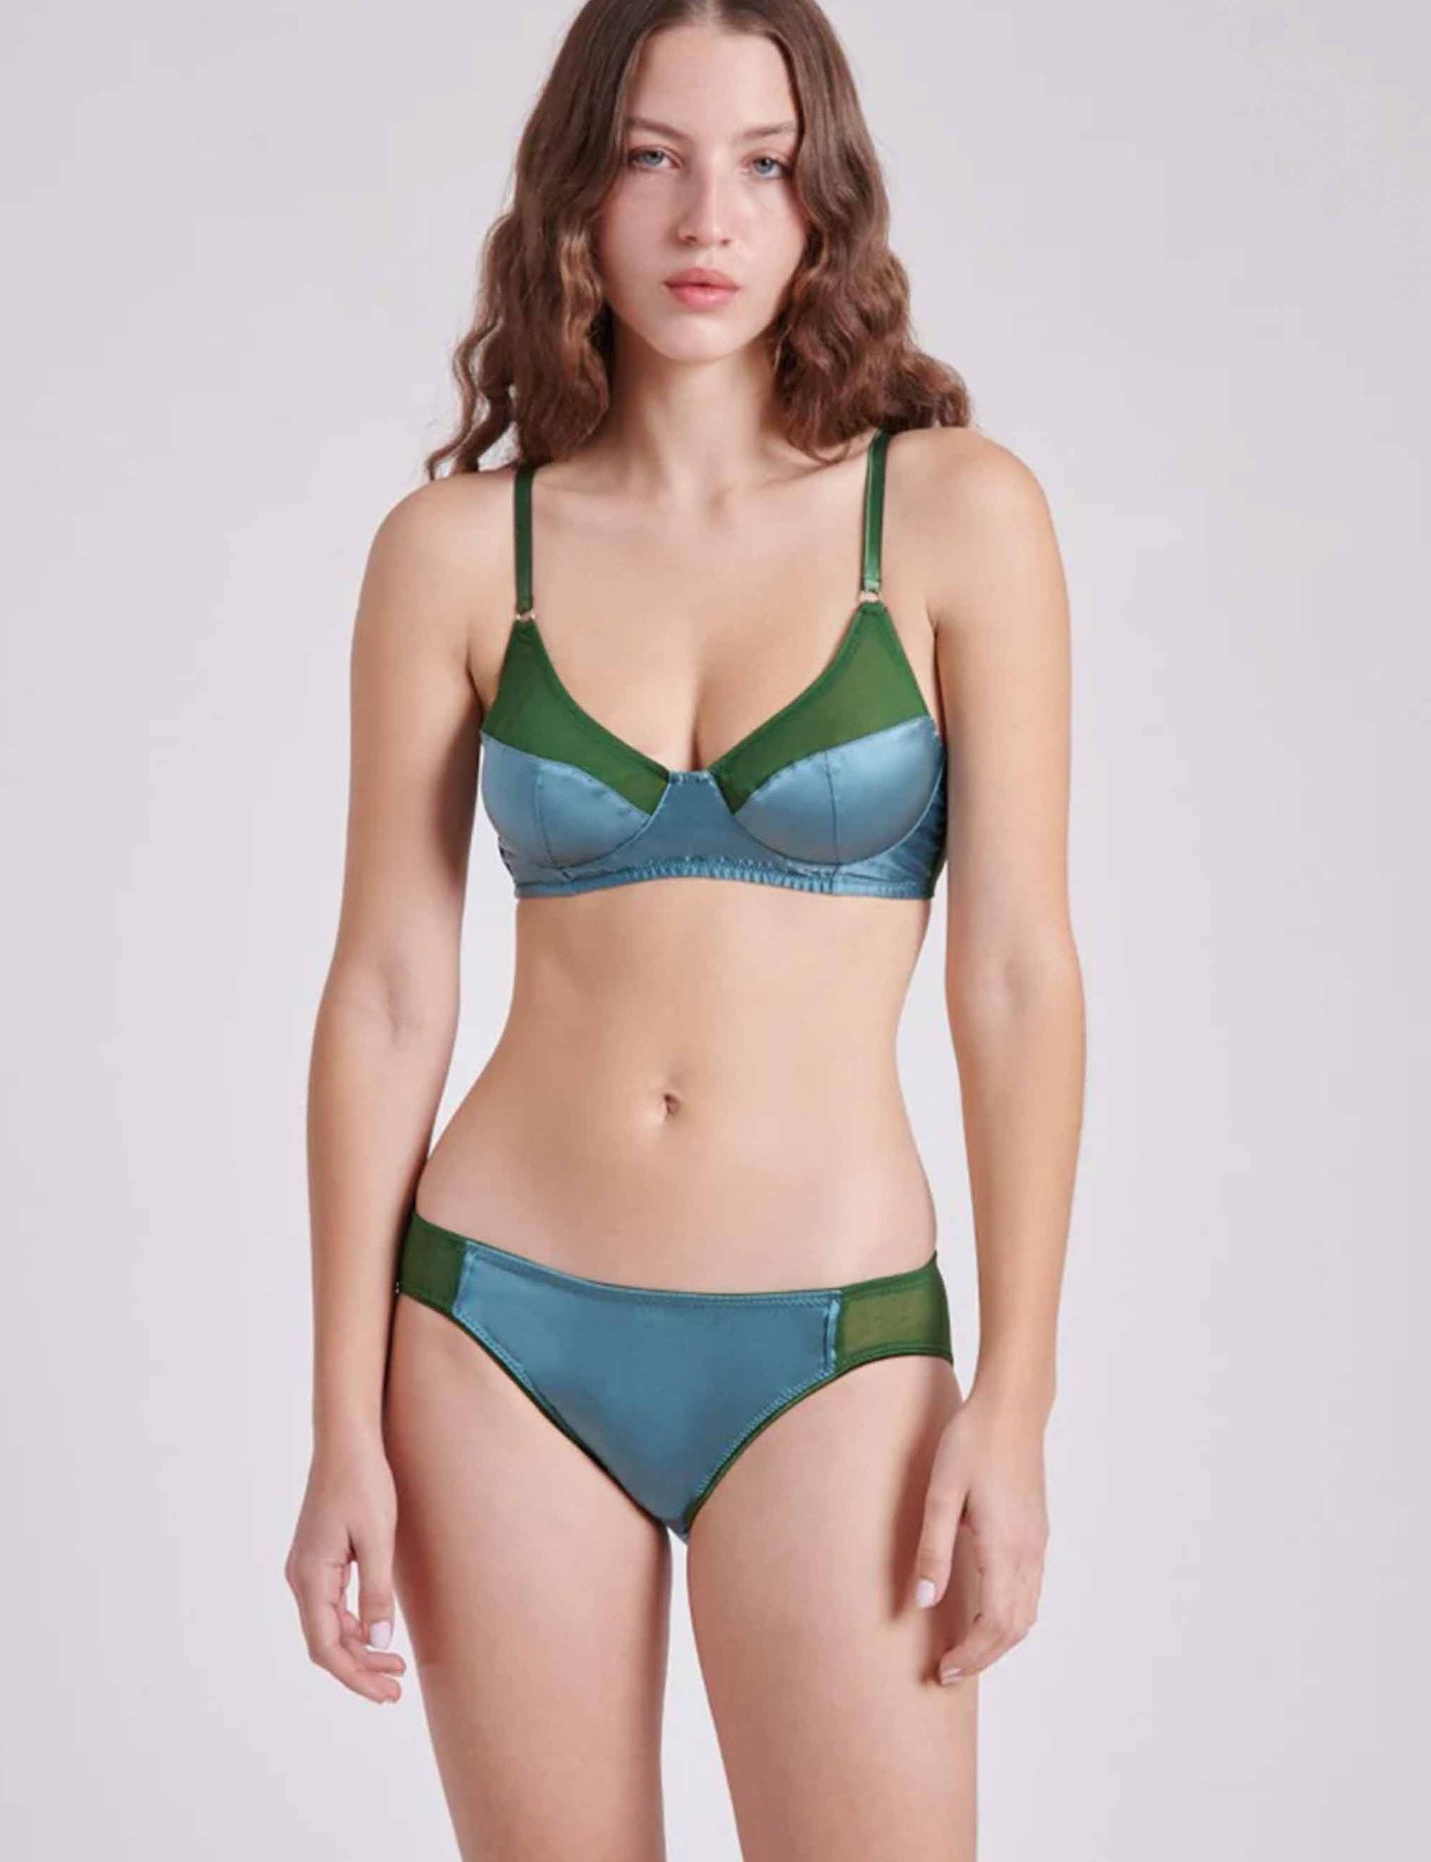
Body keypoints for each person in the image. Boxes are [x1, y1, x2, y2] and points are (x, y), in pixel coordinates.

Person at [284, 2, 1085, 1856]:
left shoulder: (951, 516)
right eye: (650, 156)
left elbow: (1017, 977)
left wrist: (1018, 1395)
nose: (705, 217)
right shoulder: (457, 551)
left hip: (835, 1343)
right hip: (492, 1330)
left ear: (825, 200)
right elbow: (387, 991)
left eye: (761, 164)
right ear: (578, 185)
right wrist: (339, 1419)